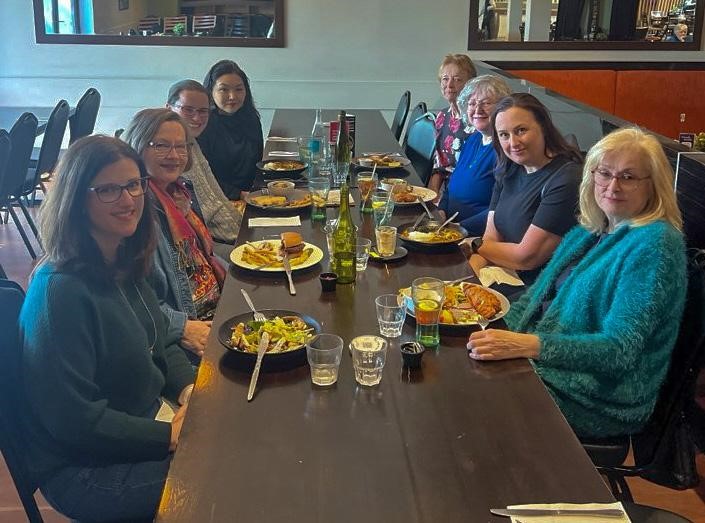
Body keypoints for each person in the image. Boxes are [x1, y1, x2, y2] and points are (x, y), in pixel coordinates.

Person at [467, 127, 687, 439]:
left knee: (467, 403)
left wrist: (525, 345)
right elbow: (533, 302)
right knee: (456, 366)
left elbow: (619, 351)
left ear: (654, 185)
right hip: (552, 367)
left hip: (597, 397)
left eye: (628, 177)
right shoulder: (589, 229)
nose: (612, 186)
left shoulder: (656, 245)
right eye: (604, 173)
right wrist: (490, 330)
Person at [19, 136, 195, 521]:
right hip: (87, 468)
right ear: (77, 200)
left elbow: (163, 341)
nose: (129, 200)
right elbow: (74, 420)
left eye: (134, 184)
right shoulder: (59, 292)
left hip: (146, 420)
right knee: (220, 475)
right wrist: (167, 436)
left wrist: (189, 390)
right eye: (109, 190)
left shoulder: (123, 256)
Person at [123, 109, 226, 361]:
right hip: (191, 332)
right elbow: (135, 301)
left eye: (181, 147)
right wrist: (182, 328)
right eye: (161, 146)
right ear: (137, 146)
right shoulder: (135, 211)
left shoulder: (179, 194)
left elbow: (204, 257)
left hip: (218, 308)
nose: (174, 156)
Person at [466, 93, 583, 286]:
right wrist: (472, 278)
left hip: (537, 292)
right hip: (502, 274)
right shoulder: (508, 168)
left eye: (521, 130)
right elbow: (491, 238)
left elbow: (525, 258)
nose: (513, 143)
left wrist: (473, 245)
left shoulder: (566, 179)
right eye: (504, 135)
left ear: (544, 128)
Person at [166, 79, 243, 244]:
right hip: (207, 245)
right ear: (168, 108)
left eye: (203, 111)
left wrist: (243, 229)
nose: (197, 117)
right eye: (188, 109)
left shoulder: (191, 141)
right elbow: (205, 218)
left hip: (226, 235)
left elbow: (217, 197)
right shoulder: (170, 153)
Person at [437, 75, 511, 235]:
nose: (477, 110)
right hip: (449, 229)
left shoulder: (506, 149)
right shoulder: (473, 139)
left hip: (477, 236)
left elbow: (502, 208)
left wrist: (459, 228)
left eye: (486, 103)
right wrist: (441, 211)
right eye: (472, 103)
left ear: (502, 107)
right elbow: (451, 187)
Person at [198, 60, 263, 200]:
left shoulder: (251, 119)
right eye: (224, 89)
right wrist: (238, 194)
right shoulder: (203, 124)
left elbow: (257, 164)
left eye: (239, 89)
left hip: (252, 195)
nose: (232, 96)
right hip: (217, 199)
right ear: (210, 91)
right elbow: (201, 178)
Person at [428, 54, 477, 197]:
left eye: (457, 79)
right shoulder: (442, 116)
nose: (449, 85)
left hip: (465, 193)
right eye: (445, 79)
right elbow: (438, 166)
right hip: (445, 191)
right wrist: (433, 197)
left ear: (470, 84)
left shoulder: (476, 122)